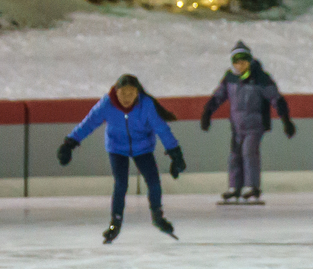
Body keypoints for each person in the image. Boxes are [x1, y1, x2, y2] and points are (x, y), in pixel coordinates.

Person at [57, 74, 186, 242]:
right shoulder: (107, 104)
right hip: (117, 148)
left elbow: (162, 129)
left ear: (137, 93)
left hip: (143, 148)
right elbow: (89, 123)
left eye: (131, 93)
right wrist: (70, 143)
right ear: (115, 92)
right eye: (123, 93)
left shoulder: (145, 105)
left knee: (154, 182)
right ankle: (115, 223)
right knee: (121, 184)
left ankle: (158, 217)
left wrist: (175, 154)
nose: (127, 98)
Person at [197, 45, 294, 204]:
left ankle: (252, 187)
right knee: (234, 155)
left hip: (255, 124)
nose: (239, 66)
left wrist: (286, 120)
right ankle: (234, 187)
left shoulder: (260, 78)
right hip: (237, 126)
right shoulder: (230, 78)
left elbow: (276, 98)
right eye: (236, 63)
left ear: (249, 62)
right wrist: (207, 113)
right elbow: (218, 96)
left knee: (249, 152)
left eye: (243, 62)